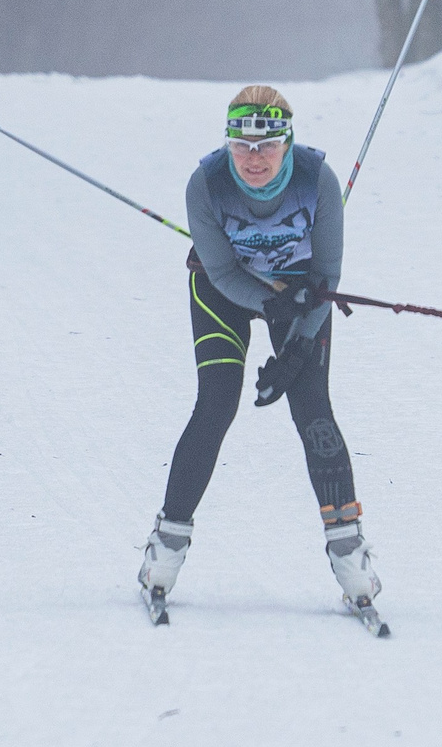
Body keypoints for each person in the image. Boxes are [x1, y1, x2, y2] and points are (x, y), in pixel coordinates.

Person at [138, 85, 381, 613]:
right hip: (223, 291)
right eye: (242, 146)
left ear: (287, 143)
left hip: (300, 296)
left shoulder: (318, 182)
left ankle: (350, 555)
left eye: (267, 146)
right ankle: (166, 547)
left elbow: (327, 277)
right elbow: (222, 270)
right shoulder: (205, 184)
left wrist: (294, 352)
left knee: (311, 404)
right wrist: (267, 303)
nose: (253, 158)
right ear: (228, 144)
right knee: (217, 402)